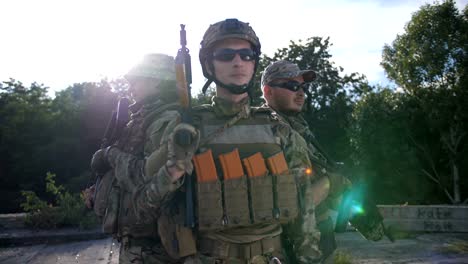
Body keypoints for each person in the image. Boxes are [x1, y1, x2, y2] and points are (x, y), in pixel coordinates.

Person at [124, 19, 323, 263]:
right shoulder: (186, 128)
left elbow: (305, 211)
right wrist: (171, 173)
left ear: (253, 63)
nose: (237, 62)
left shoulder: (279, 130)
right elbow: (142, 209)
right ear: (210, 64)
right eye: (225, 55)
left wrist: (308, 257)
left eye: (246, 55)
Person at [261, 60, 388, 262]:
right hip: (290, 249)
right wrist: (329, 183)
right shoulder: (264, 131)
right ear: (268, 92)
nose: (301, 93)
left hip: (319, 242)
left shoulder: (297, 127)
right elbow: (278, 204)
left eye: (303, 87)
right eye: (293, 86)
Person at [90, 53, 186, 264]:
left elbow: (146, 178)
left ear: (157, 81)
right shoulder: (139, 119)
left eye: (136, 81)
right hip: (136, 246)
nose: (131, 87)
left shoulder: (166, 120)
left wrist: (110, 155)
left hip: (156, 249)